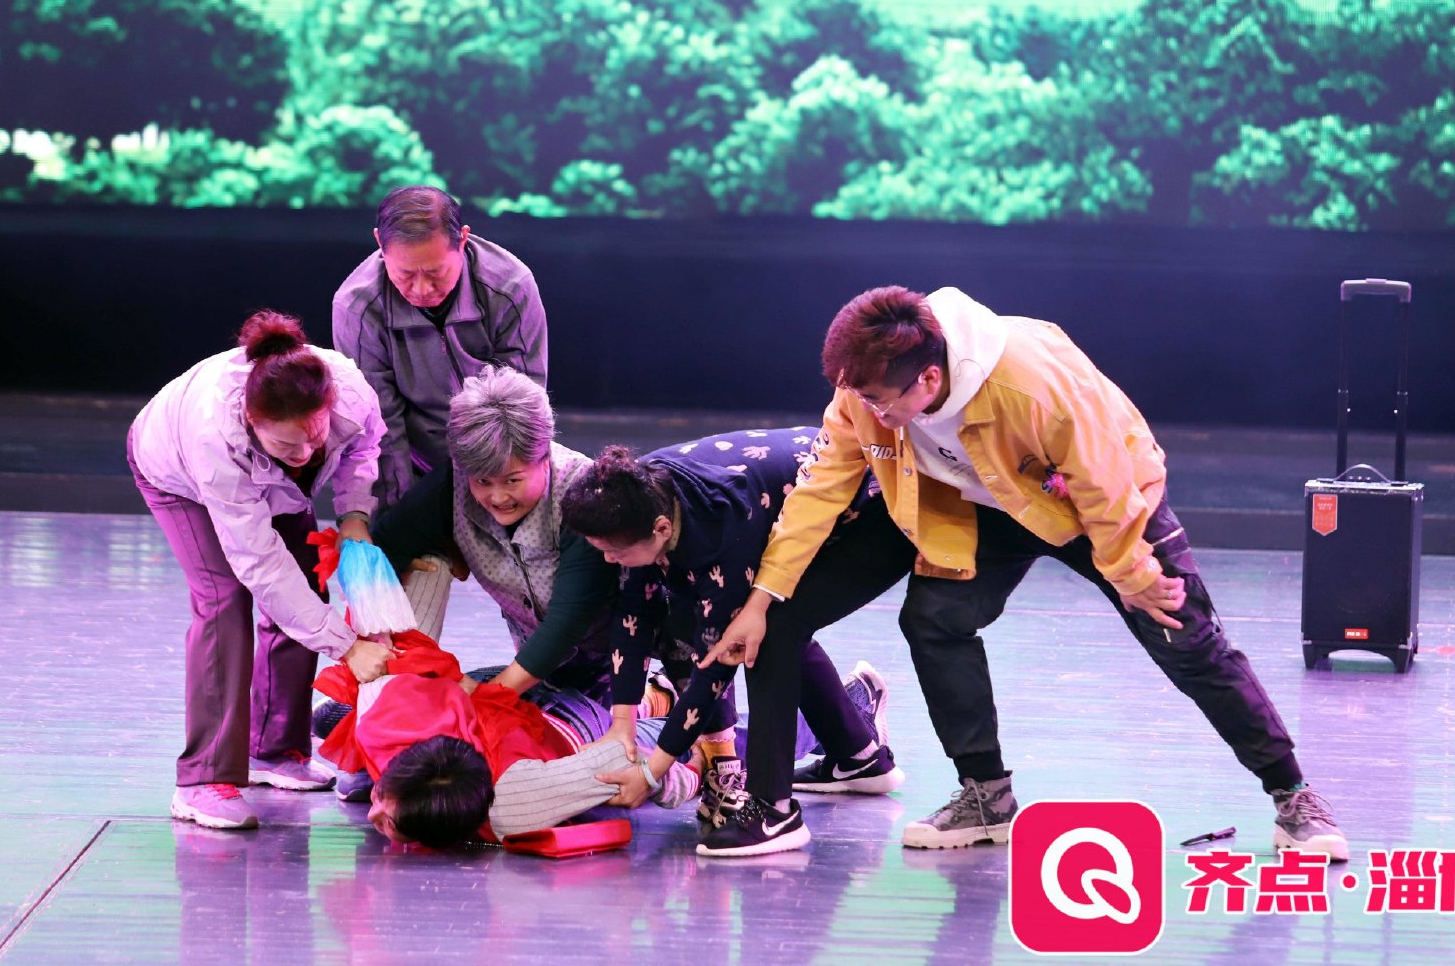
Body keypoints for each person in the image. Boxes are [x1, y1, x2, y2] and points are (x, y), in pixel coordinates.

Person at [704, 286, 1349, 859]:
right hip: (989, 506)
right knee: (934, 619)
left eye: (877, 399)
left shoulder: (1029, 383)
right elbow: (818, 491)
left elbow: (1105, 482)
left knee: (1184, 635)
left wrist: (1132, 573)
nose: (866, 410)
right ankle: (986, 796)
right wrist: (763, 598)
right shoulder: (862, 397)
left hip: (1099, 502)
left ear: (928, 378)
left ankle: (1293, 793)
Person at [560, 430, 907, 855]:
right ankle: (858, 756)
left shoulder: (720, 529)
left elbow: (715, 666)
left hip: (872, 509)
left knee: (767, 633)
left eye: (615, 553)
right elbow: (633, 611)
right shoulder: (636, 495)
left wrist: (652, 772)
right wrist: (622, 725)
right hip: (791, 503)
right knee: (710, 619)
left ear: (662, 529)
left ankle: (774, 812)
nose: (608, 560)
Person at [128, 309, 394, 831]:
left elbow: (363, 448)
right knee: (224, 600)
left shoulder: (349, 391)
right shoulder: (215, 440)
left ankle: (273, 749)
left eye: (314, 436)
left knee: (307, 579)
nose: (306, 453)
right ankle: (201, 779)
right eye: (287, 444)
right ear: (252, 421)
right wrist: (347, 647)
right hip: (176, 474)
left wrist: (354, 515)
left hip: (265, 480)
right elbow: (261, 566)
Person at [314, 628, 700, 847]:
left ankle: (655, 703)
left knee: (664, 736)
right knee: (339, 739)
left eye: (385, 810)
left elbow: (624, 758)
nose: (371, 815)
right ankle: (652, 699)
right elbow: (385, 627)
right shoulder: (383, 718)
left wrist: (695, 768)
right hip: (487, 697)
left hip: (565, 725)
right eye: (387, 815)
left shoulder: (514, 806)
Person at [369, 366, 617, 700]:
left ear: (544, 456)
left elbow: (567, 621)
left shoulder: (583, 494)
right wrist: (378, 634)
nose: (498, 497)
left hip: (611, 654)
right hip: (531, 653)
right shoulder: (454, 483)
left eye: (512, 480)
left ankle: (658, 695)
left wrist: (488, 697)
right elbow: (385, 543)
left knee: (576, 724)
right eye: (483, 481)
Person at [332, 185, 548, 508]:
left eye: (435, 272)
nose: (421, 289)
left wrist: (498, 494)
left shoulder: (510, 287)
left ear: (462, 240)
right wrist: (401, 512)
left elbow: (523, 407)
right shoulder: (357, 308)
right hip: (414, 463)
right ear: (380, 243)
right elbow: (380, 425)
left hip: (498, 463)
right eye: (405, 274)